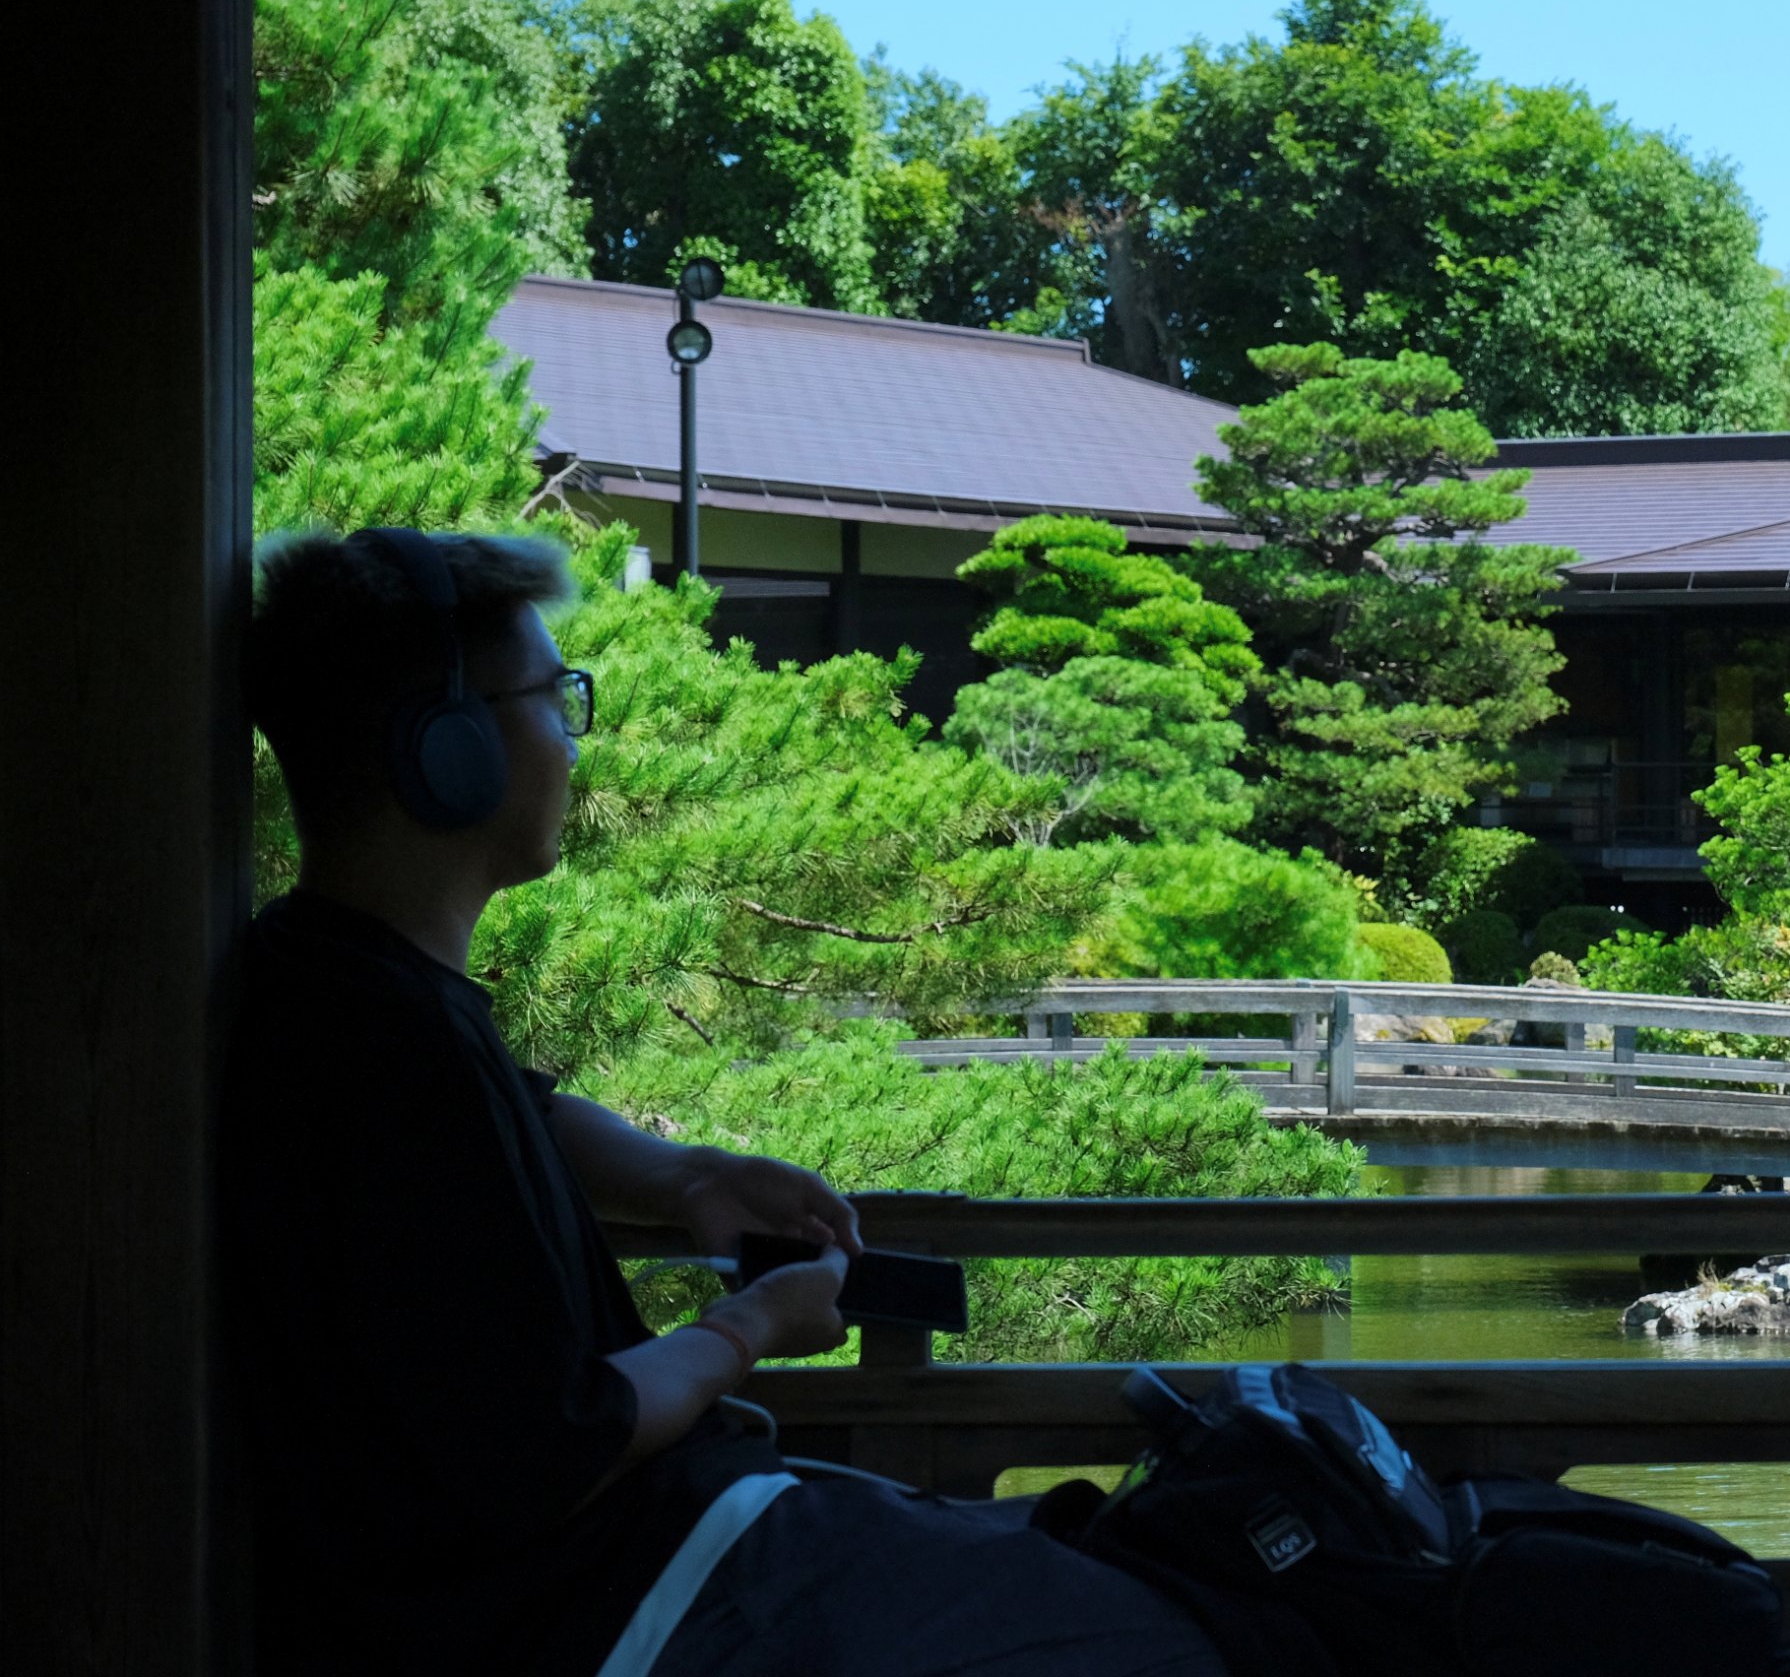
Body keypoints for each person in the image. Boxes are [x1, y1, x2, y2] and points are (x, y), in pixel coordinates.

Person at [221, 527, 1223, 1677]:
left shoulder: (337, 982)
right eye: (556, 696)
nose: (572, 739)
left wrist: (684, 1172)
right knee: (1165, 1634)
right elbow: (554, 1441)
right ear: (450, 751)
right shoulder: (381, 1043)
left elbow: (510, 1114)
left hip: (662, 1548)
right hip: (614, 1602)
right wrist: (749, 1327)